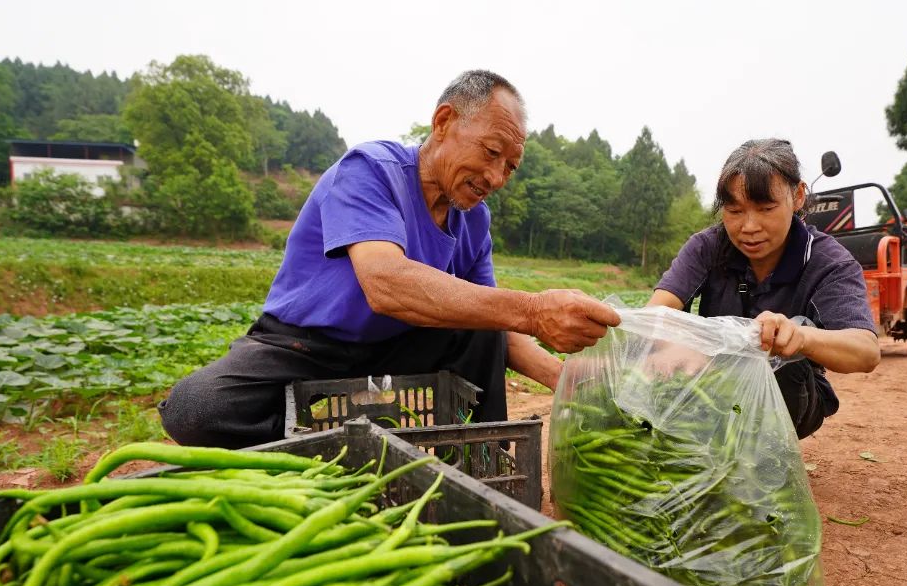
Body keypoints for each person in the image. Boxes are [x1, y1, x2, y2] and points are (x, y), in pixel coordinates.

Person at [159, 70, 620, 448]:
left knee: (484, 323)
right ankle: (322, 448)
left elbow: (499, 327)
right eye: (492, 153)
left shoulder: (474, 221)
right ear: (443, 122)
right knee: (197, 410)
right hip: (303, 346)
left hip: (398, 347)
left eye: (510, 167)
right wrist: (535, 310)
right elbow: (385, 284)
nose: (497, 177)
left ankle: (482, 456)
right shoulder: (371, 171)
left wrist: (568, 381)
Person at [650, 138, 880, 439]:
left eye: (766, 208)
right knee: (648, 358)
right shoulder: (707, 247)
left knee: (780, 368)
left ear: (798, 196)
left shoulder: (828, 262)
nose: (749, 227)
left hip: (790, 394)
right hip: (707, 375)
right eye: (734, 211)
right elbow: (656, 312)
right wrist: (680, 344)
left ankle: (760, 459)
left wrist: (800, 337)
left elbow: (865, 351)